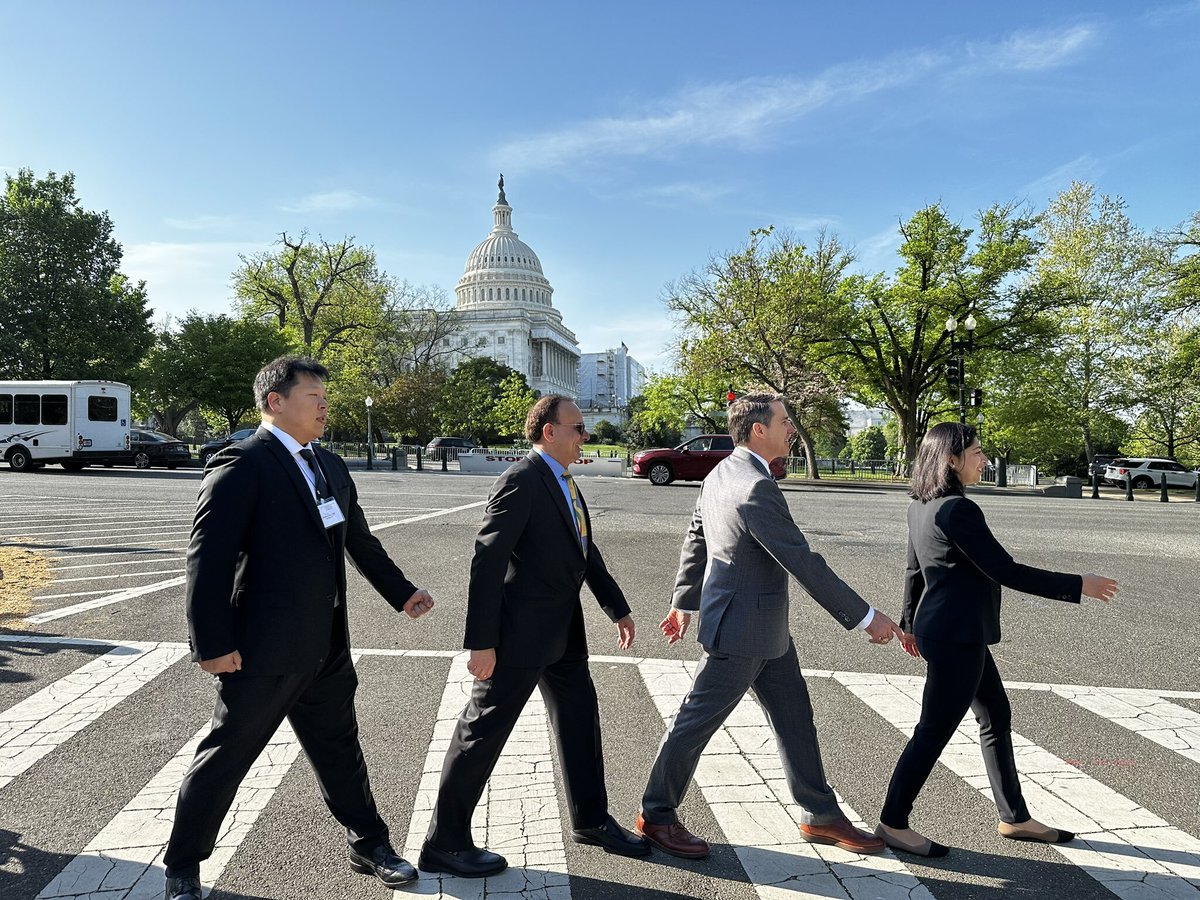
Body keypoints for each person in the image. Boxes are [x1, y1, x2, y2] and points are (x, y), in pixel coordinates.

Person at [163, 356, 435, 900]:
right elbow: (207, 560)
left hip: (326, 647)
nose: (324, 406)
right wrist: (211, 645)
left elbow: (358, 541)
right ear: (275, 402)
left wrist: (402, 592)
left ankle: (369, 842)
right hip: (261, 651)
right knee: (227, 756)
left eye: (325, 398)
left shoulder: (330, 465)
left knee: (341, 750)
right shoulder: (242, 464)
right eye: (314, 396)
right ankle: (182, 867)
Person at [636, 393, 904, 859]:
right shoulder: (755, 486)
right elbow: (801, 560)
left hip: (764, 629)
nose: (791, 428)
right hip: (741, 633)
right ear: (758, 429)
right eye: (784, 421)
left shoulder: (725, 471)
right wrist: (865, 617)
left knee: (795, 719)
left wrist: (683, 602)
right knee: (694, 723)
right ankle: (656, 815)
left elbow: (698, 535)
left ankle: (819, 813)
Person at [420, 395, 650, 878]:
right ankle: (444, 841)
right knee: (482, 731)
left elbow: (585, 550)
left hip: (563, 632)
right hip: (516, 637)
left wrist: (616, 607)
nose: (584, 436)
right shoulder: (520, 481)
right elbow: (486, 564)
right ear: (549, 431)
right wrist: (480, 642)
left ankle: (590, 820)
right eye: (578, 428)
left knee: (580, 719)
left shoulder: (565, 481)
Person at [876, 422, 1118, 858]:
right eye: (977, 452)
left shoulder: (921, 505)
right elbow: (1004, 569)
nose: (983, 460)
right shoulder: (957, 510)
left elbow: (914, 570)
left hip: (946, 631)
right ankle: (893, 822)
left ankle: (1015, 817)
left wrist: (909, 621)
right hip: (957, 637)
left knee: (995, 716)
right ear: (950, 460)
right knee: (933, 731)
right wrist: (1078, 583)